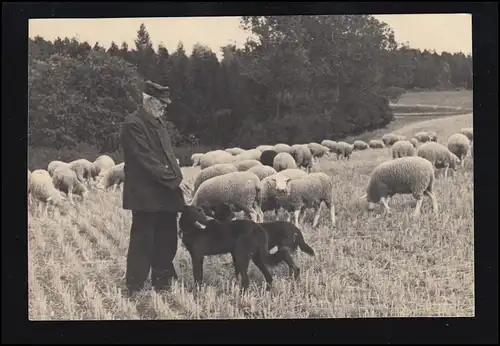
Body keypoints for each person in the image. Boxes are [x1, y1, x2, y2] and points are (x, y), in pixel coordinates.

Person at [120, 80, 185, 296]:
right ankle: (134, 285)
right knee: (143, 238)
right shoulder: (133, 124)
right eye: (161, 103)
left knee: (167, 236)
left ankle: (162, 280)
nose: (165, 107)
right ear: (148, 101)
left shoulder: (158, 123)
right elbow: (146, 160)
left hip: (165, 191)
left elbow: (168, 156)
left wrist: (177, 178)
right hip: (145, 194)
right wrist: (175, 180)